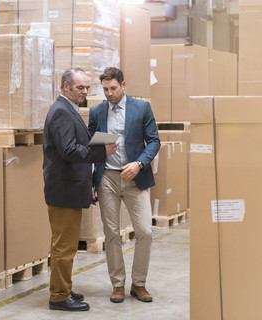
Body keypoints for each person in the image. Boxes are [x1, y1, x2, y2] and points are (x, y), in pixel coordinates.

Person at [43, 68, 118, 311]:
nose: (85, 92)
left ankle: (63, 287)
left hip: (71, 189)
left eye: (87, 87)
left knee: (65, 244)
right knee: (64, 246)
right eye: (80, 88)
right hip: (64, 191)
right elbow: (68, 150)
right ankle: (58, 296)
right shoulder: (61, 112)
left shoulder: (68, 110)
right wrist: (100, 151)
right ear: (65, 86)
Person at [88, 67, 161, 303]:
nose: (109, 93)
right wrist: (92, 182)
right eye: (105, 89)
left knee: (145, 231)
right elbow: (91, 148)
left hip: (134, 177)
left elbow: (154, 141)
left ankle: (138, 284)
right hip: (107, 178)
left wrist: (139, 163)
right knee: (111, 233)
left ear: (123, 85)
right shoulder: (97, 112)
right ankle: (117, 284)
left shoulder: (141, 108)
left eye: (113, 88)